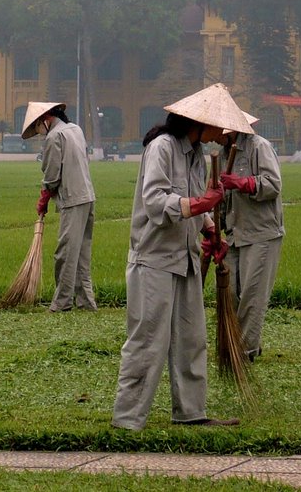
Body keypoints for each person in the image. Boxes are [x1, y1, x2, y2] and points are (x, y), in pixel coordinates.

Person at [111, 83, 254, 430]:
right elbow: (156, 200)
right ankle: (127, 419)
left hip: (186, 258)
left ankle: (191, 413)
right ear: (200, 122)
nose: (224, 134)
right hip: (155, 259)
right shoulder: (161, 148)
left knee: (191, 340)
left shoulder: (197, 155)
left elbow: (193, 200)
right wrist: (200, 205)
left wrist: (208, 229)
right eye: (221, 126)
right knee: (148, 341)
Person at [214, 113, 284, 363]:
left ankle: (244, 350)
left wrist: (242, 183)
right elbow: (221, 198)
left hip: (261, 233)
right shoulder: (222, 155)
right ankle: (232, 342)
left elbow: (273, 185)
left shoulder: (259, 147)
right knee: (230, 293)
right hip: (234, 233)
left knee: (253, 295)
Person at [21, 101, 97, 312]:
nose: (40, 135)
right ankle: (86, 302)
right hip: (88, 197)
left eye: (38, 129)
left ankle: (62, 302)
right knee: (81, 253)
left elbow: (52, 175)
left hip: (73, 199)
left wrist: (43, 199)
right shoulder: (75, 130)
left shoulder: (54, 137)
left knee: (65, 254)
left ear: (45, 120)